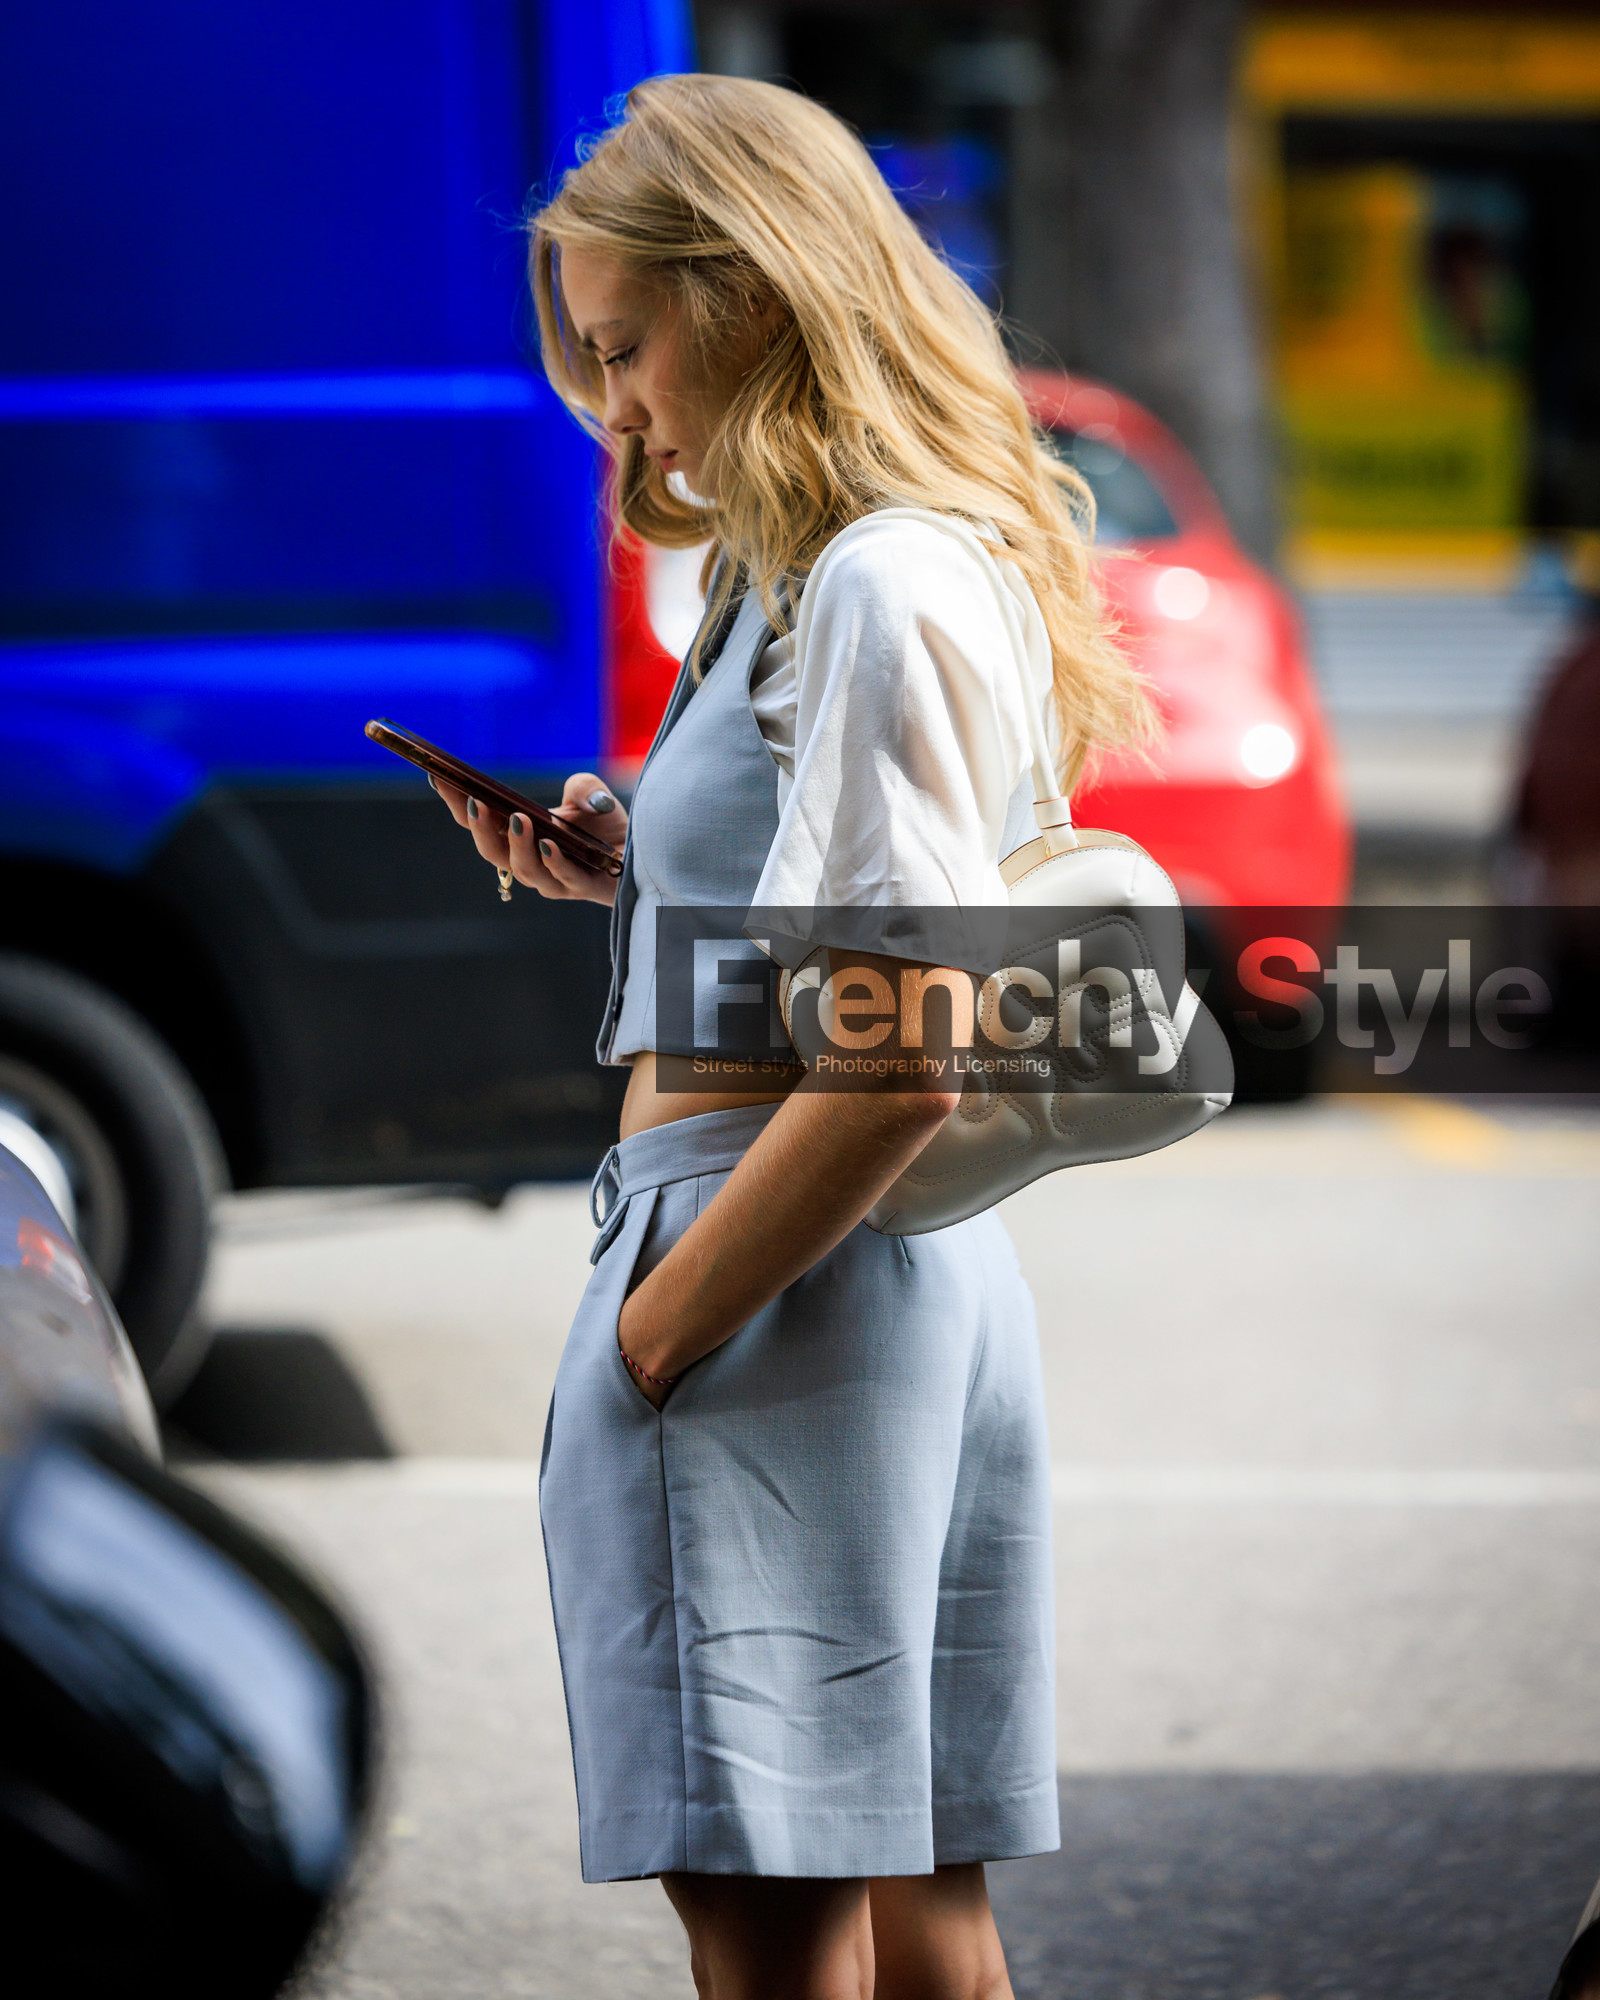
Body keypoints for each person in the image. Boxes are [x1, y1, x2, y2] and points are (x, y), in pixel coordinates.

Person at [433, 74, 1152, 2000]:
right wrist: (631, 878)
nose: (614, 405)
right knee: (925, 1926)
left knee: (772, 1934)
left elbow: (905, 1045)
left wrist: (661, 1334)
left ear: (748, 291)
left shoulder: (867, 578)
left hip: (769, 1269)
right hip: (885, 1280)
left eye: (624, 344)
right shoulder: (861, 562)